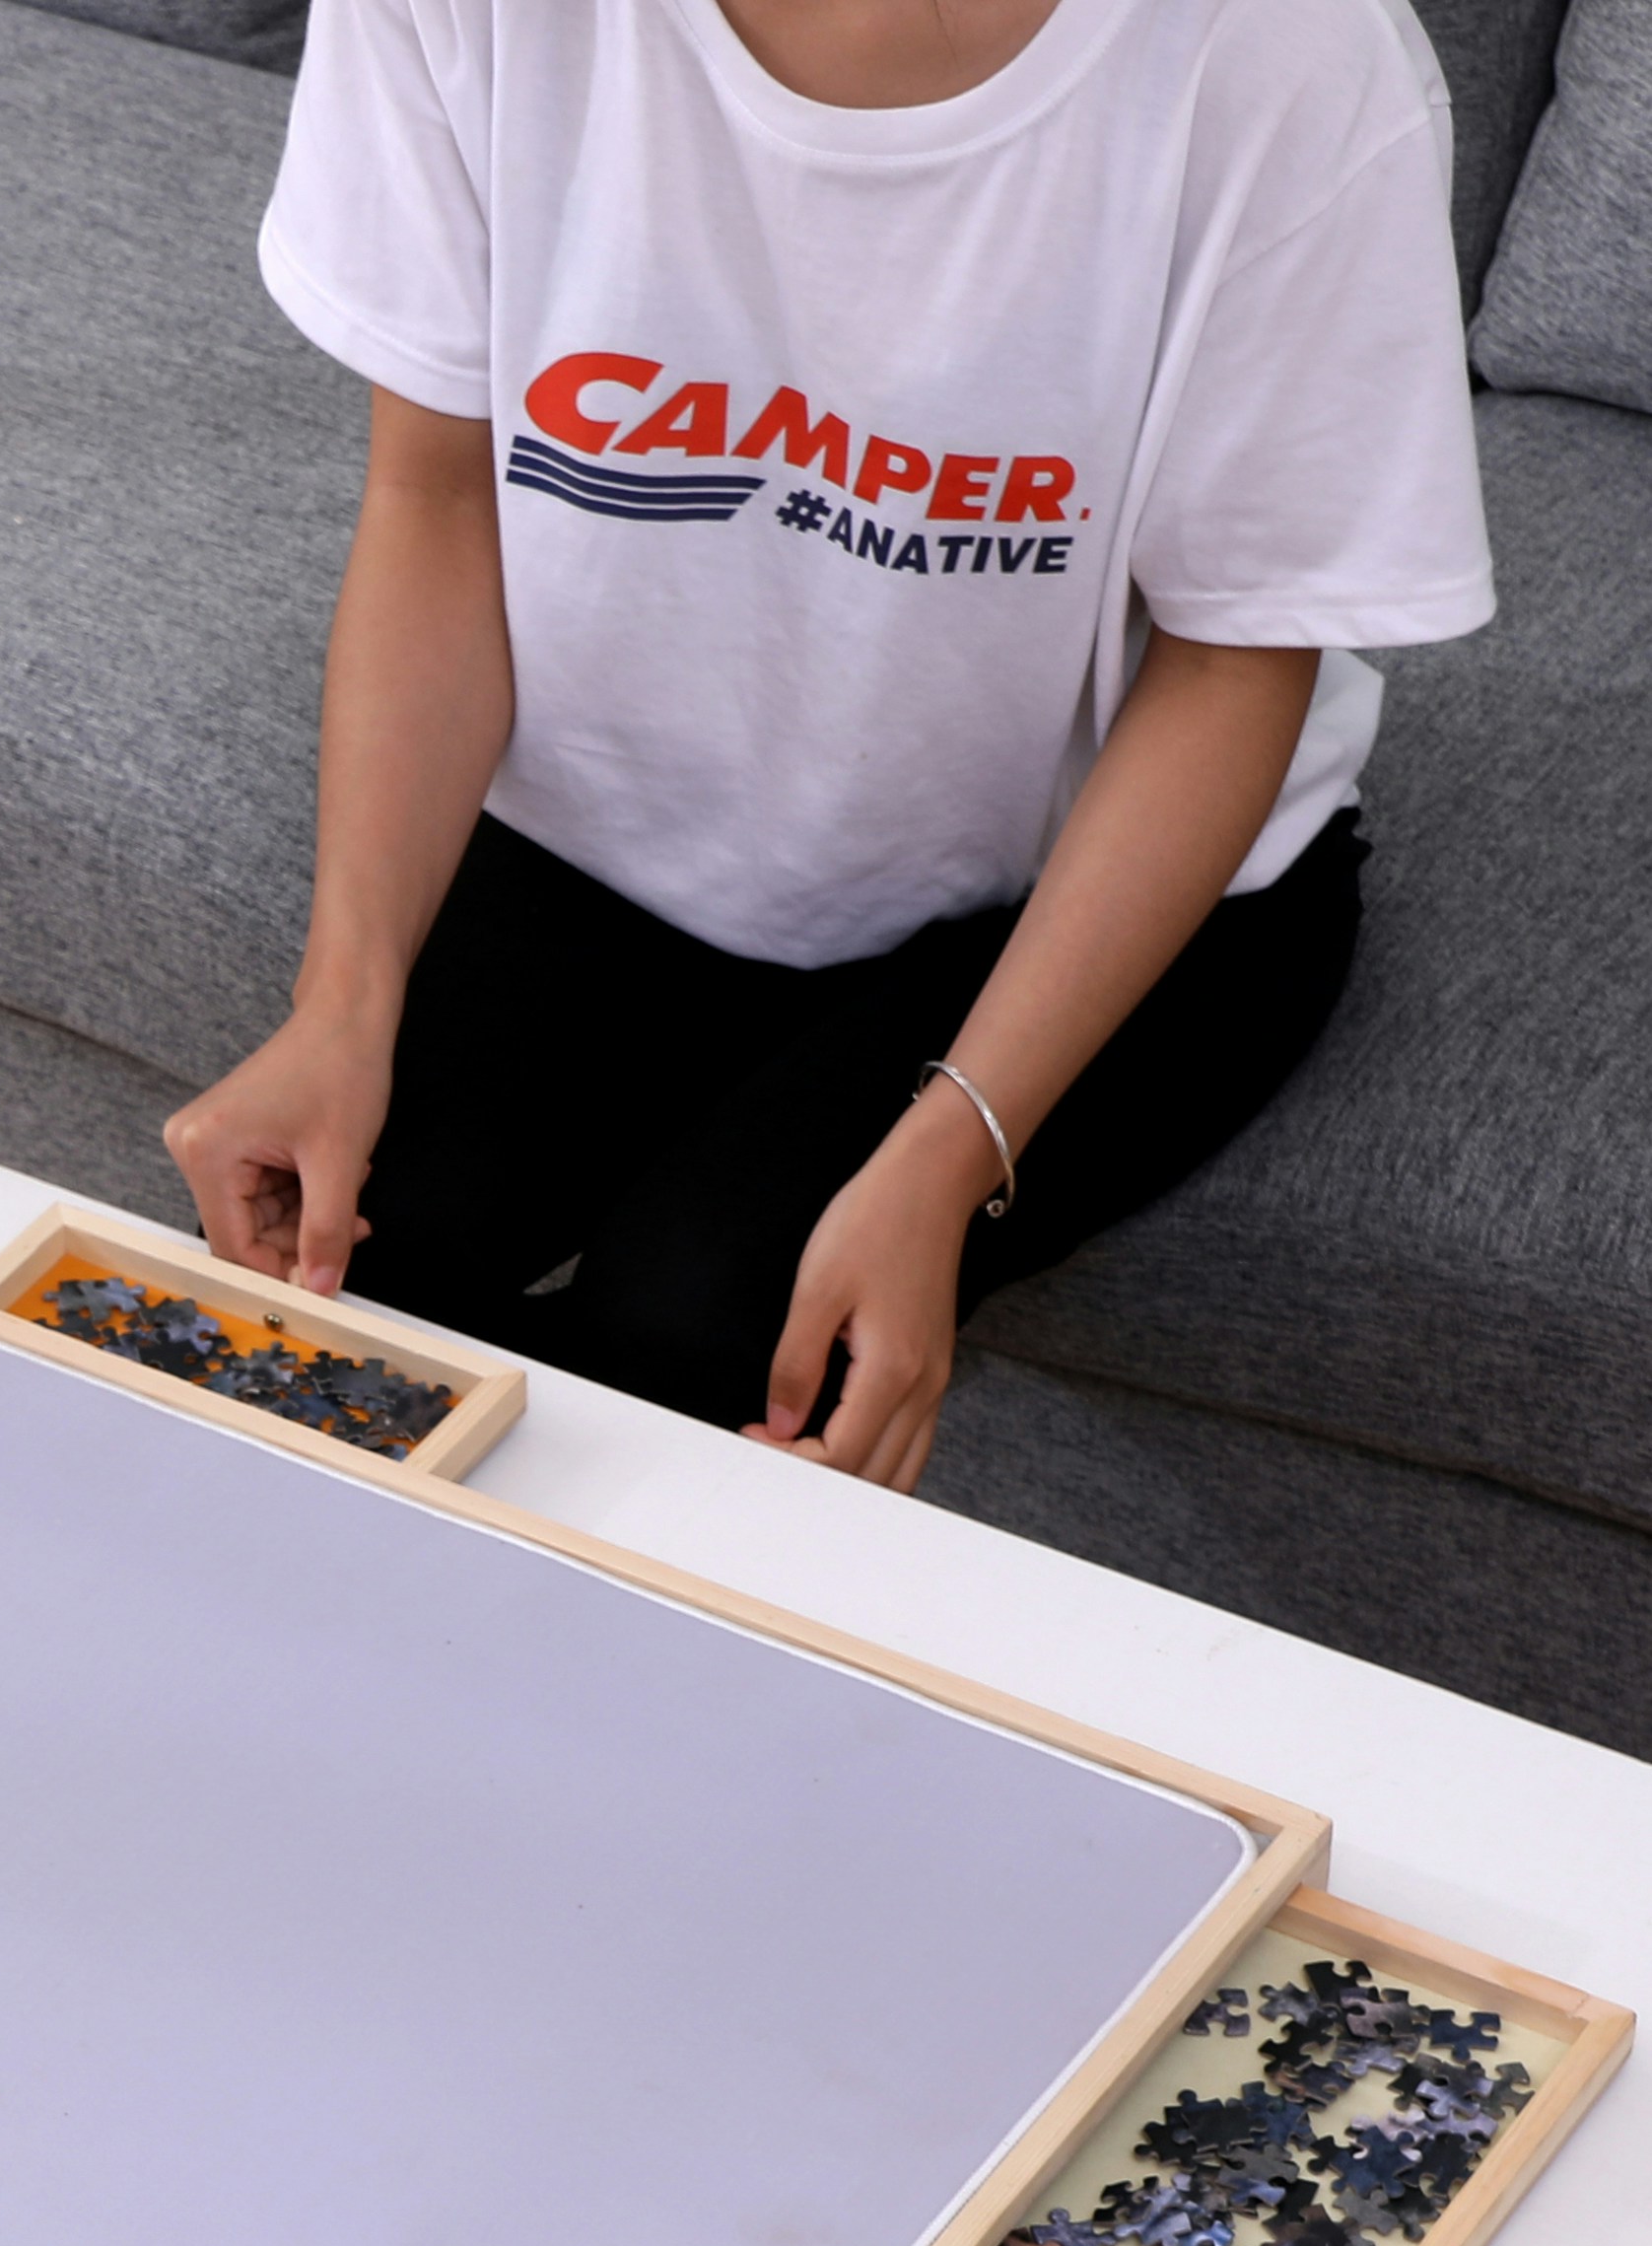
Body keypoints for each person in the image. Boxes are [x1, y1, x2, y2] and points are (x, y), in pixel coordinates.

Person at [166, 0, 1494, 1490]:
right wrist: (343, 1007)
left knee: (699, 1345)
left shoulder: (1284, 56)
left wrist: (949, 1158)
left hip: (1092, 892)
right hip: (623, 824)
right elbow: (436, 499)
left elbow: (1227, 668)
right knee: (312, 1284)